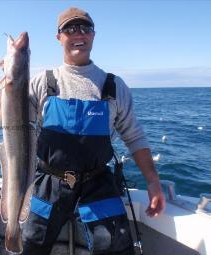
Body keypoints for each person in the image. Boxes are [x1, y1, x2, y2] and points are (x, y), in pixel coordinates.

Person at [20, 7, 166, 255]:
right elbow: (13, 124)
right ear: (59, 37)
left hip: (97, 182)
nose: (79, 33)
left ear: (93, 35)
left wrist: (153, 181)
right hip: (48, 182)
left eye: (85, 28)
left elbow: (134, 136)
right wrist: (10, 81)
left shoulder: (113, 86)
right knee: (30, 245)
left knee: (115, 248)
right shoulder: (41, 83)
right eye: (70, 28)